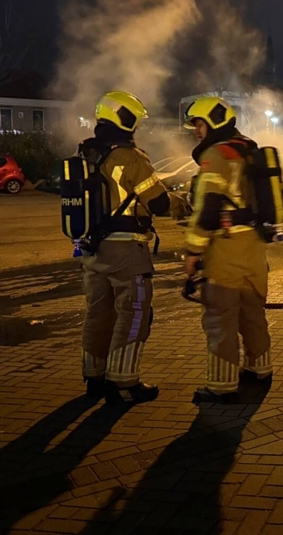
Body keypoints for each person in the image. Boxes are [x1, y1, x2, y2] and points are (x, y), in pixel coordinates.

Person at [79, 90, 188, 405]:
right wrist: (183, 204)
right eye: (135, 121)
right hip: (126, 249)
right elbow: (158, 201)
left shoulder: (87, 153)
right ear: (124, 119)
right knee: (135, 312)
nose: (136, 128)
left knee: (98, 312)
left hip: (92, 248)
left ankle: (94, 376)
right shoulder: (129, 157)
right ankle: (123, 381)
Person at [183, 97, 272, 404]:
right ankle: (260, 368)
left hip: (226, 248)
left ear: (213, 121)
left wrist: (193, 252)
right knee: (253, 313)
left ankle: (221, 385)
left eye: (199, 123)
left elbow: (207, 210)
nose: (196, 130)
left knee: (221, 317)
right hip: (254, 247)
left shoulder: (216, 154)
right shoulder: (249, 149)